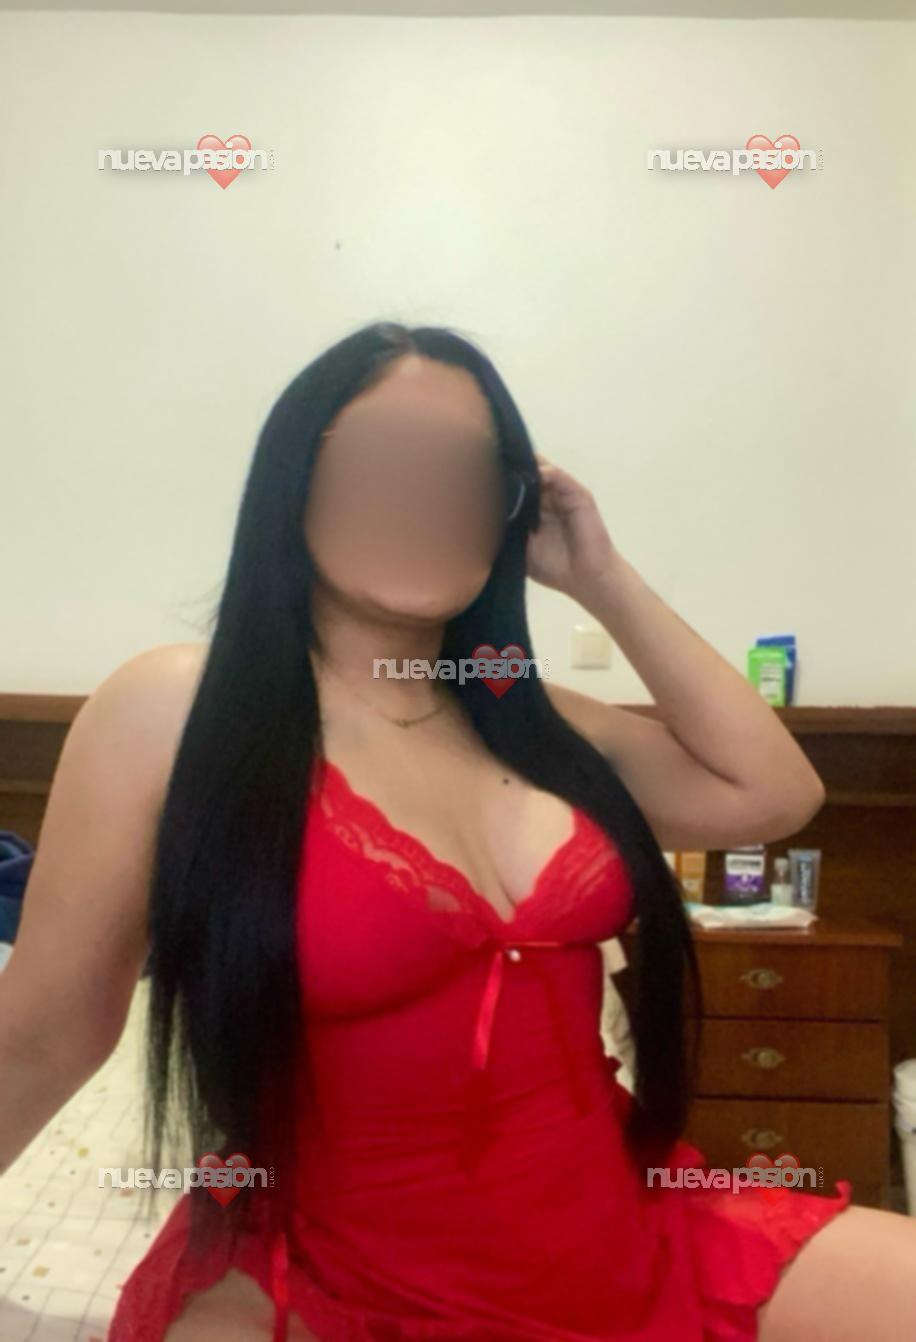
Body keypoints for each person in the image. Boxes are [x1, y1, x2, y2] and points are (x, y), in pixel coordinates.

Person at [2, 321, 914, 1342]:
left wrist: (602, 575)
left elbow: (773, 793)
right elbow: (40, 1035)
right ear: (295, 478)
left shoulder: (524, 712)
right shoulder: (178, 710)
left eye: (468, 475)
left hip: (621, 1222)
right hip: (342, 1271)